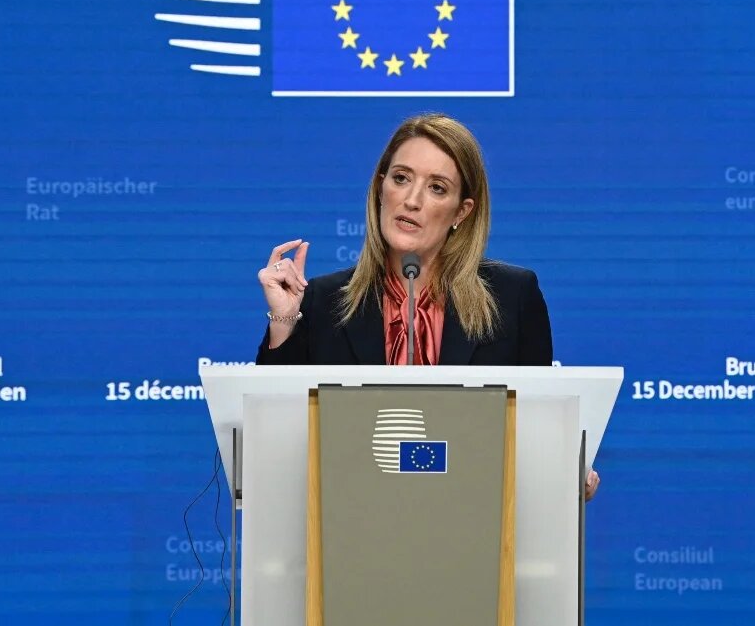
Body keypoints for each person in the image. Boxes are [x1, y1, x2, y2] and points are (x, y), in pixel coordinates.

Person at [255, 112, 599, 500]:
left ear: (461, 212)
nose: (412, 200)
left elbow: (540, 425)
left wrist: (564, 469)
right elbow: (274, 441)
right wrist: (284, 320)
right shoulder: (323, 299)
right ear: (380, 188)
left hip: (472, 518)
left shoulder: (512, 297)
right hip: (351, 516)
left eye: (436, 188)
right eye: (401, 178)